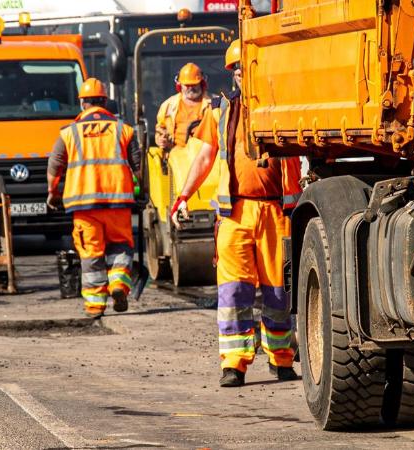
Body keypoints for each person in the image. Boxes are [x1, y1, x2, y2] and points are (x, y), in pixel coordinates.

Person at [171, 40, 303, 387]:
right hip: (235, 213)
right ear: (234, 74)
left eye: (250, 67)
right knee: (233, 293)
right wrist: (183, 195)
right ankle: (234, 364)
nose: (245, 74)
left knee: (278, 292)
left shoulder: (283, 107)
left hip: (276, 211)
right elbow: (202, 157)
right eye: (239, 69)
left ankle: (282, 358)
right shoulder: (219, 111)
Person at [47, 78, 142, 318]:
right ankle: (119, 286)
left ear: (82, 103)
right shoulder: (123, 129)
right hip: (118, 201)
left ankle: (95, 306)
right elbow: (138, 164)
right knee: (121, 247)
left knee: (91, 254)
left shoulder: (69, 132)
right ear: (105, 102)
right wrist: (142, 190)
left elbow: (55, 164)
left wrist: (53, 193)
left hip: (84, 206)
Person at [155, 63, 212, 153]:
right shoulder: (168, 105)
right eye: (187, 85)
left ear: (201, 83)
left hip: (205, 155)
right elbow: (160, 129)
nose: (190, 88)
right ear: (180, 85)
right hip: (175, 157)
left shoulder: (213, 104)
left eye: (194, 85)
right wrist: (160, 139)